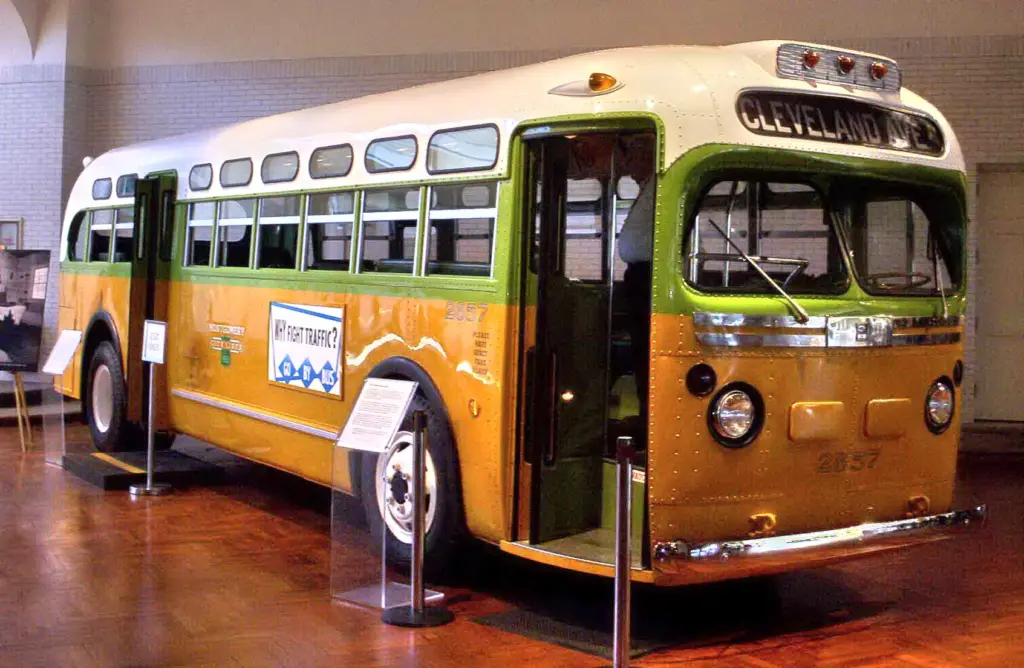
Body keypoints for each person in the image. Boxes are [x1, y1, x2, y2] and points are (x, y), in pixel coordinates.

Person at [617, 143, 656, 435]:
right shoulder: (648, 188)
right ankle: (644, 416)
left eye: (631, 156)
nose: (628, 168)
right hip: (640, 276)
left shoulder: (659, 188)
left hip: (649, 278)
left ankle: (648, 420)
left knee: (646, 352)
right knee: (639, 350)